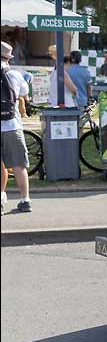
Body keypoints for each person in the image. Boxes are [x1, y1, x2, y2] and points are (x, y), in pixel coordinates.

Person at [1, 41, 32, 213]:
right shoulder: (15, 75)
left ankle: (0, 198)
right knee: (19, 164)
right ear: (8, 58)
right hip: (13, 125)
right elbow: (24, 94)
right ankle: (25, 200)